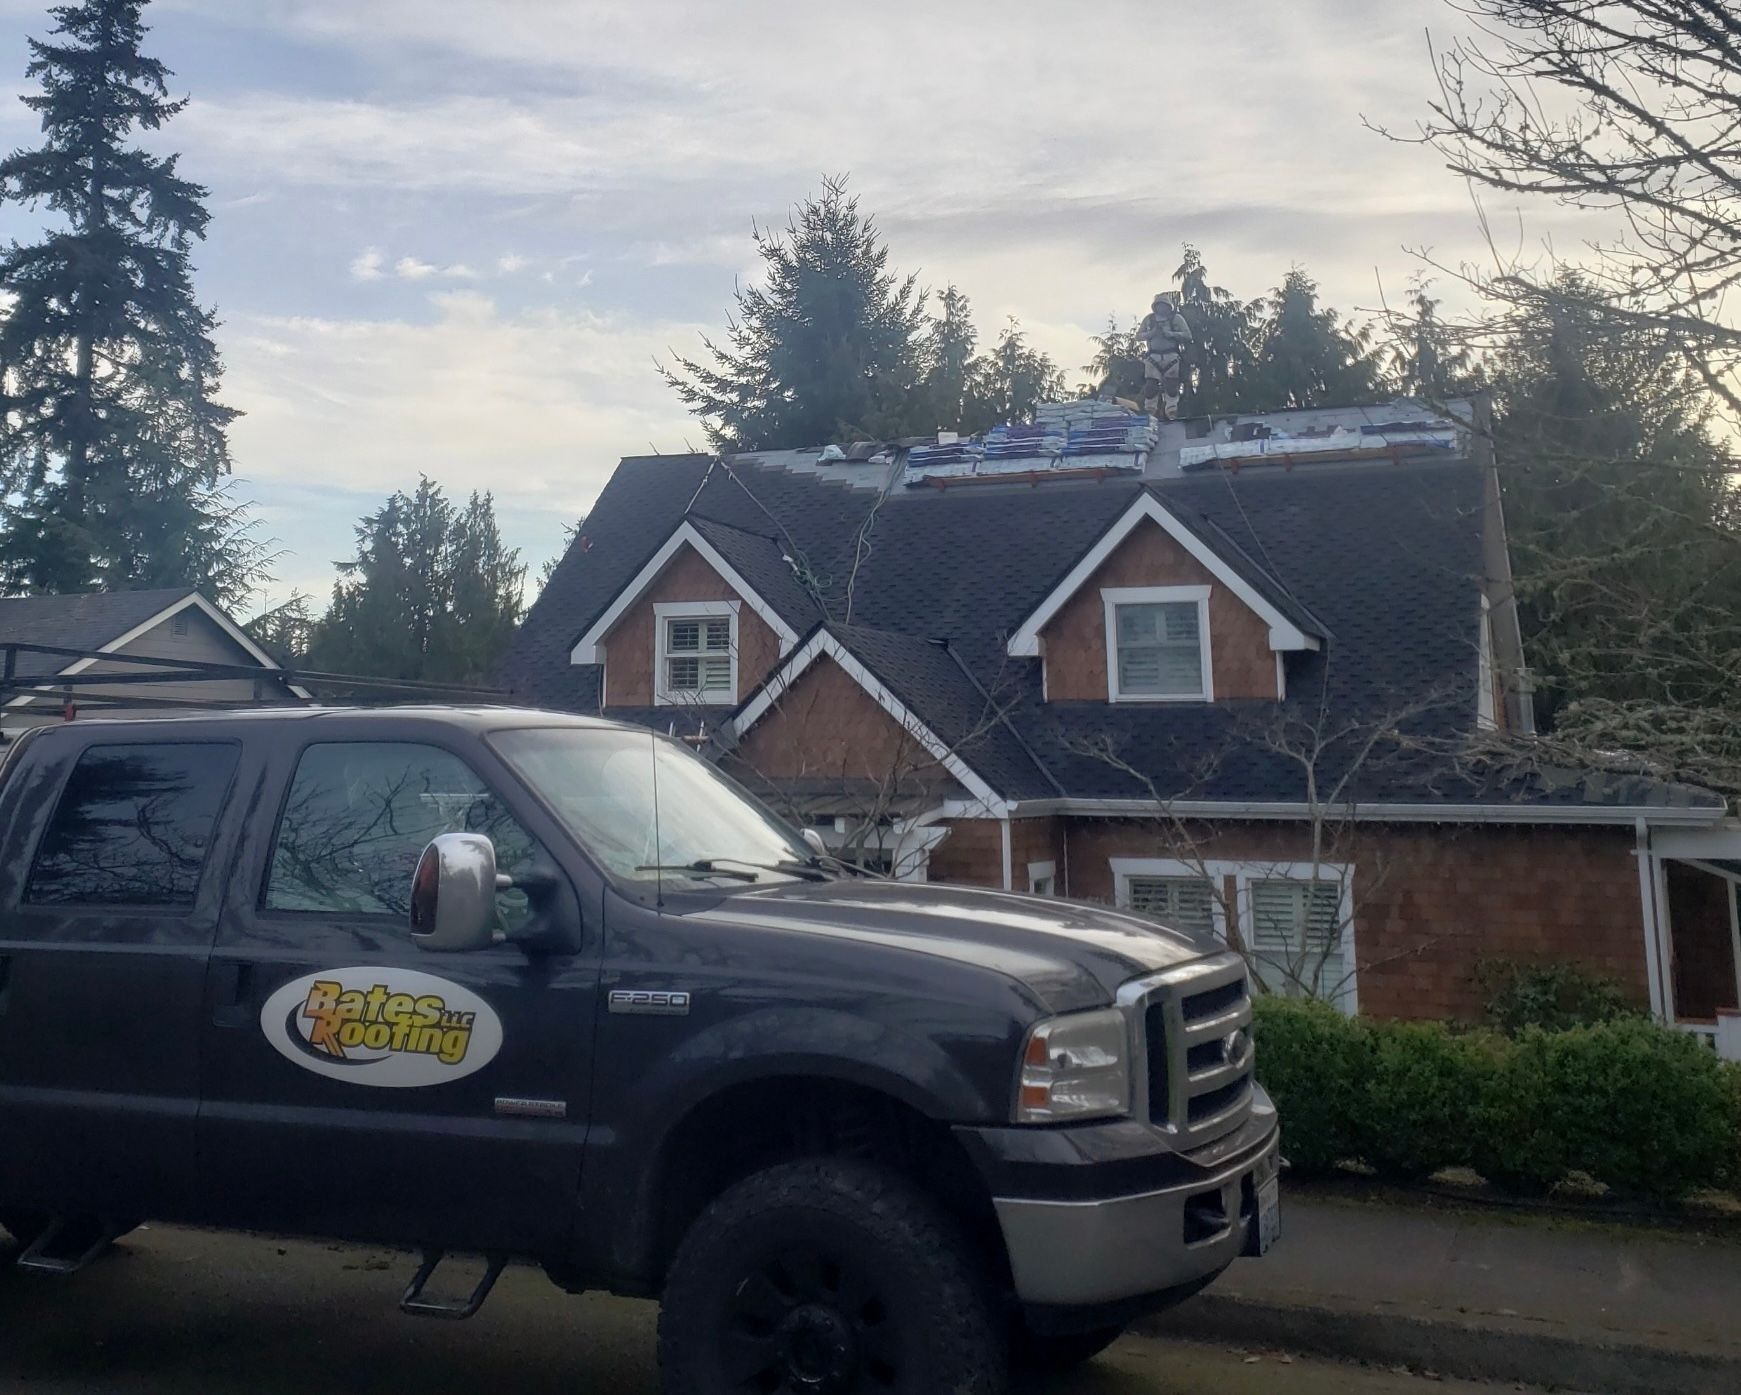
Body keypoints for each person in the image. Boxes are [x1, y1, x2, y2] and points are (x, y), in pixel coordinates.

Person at [1138, 292, 1192, 421]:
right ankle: (1150, 412)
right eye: (1159, 305)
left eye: (1164, 305)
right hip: (1153, 356)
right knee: (1151, 386)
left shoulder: (1176, 318)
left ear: (1168, 307)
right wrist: (1151, 333)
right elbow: (1138, 336)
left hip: (1171, 355)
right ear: (1155, 306)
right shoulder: (1149, 319)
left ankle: (1172, 412)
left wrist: (1171, 334)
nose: (1161, 308)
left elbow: (1188, 335)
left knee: (1172, 386)